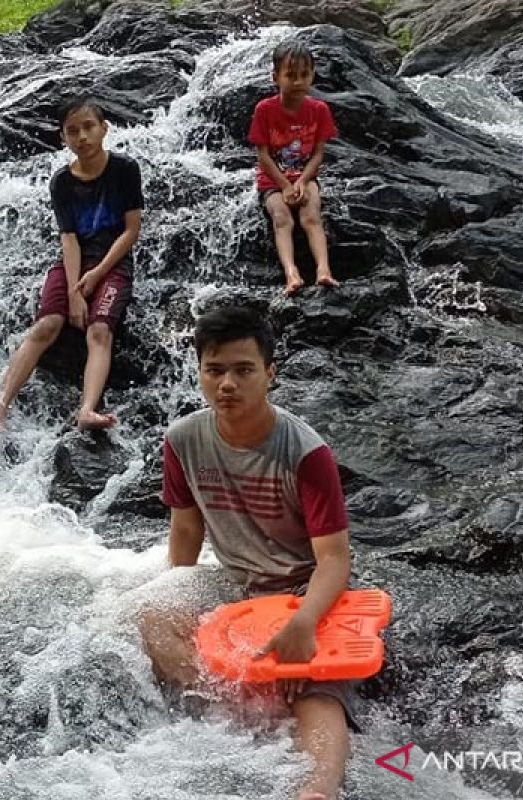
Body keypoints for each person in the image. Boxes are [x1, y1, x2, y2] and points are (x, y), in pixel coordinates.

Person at [141, 306, 355, 800]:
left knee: (319, 688)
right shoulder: (183, 439)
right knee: (152, 616)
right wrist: (179, 593)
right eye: (214, 371)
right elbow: (187, 529)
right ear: (199, 373)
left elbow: (335, 560)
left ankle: (317, 789)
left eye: (243, 370)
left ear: (270, 375)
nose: (228, 384)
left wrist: (304, 622)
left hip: (303, 586)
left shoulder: (307, 452)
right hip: (234, 583)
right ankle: (242, 697)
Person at [0, 98, 144, 431]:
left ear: (104, 129)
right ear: (63, 138)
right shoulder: (61, 182)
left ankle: (87, 409)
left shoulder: (125, 170)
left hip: (112, 264)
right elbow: (68, 239)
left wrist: (97, 274)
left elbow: (132, 230)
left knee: (99, 330)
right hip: (73, 262)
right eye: (73, 131)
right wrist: (74, 291)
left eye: (88, 127)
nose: (82, 137)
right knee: (46, 326)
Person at [249, 40, 340, 297]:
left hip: (304, 177)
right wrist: (285, 185)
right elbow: (263, 156)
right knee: (281, 217)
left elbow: (319, 153)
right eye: (290, 75)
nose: (298, 82)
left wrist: (301, 183)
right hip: (273, 181)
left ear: (312, 75)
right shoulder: (265, 110)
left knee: (311, 216)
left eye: (304, 75)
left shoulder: (319, 110)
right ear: (275, 77)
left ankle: (323, 270)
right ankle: (292, 273)